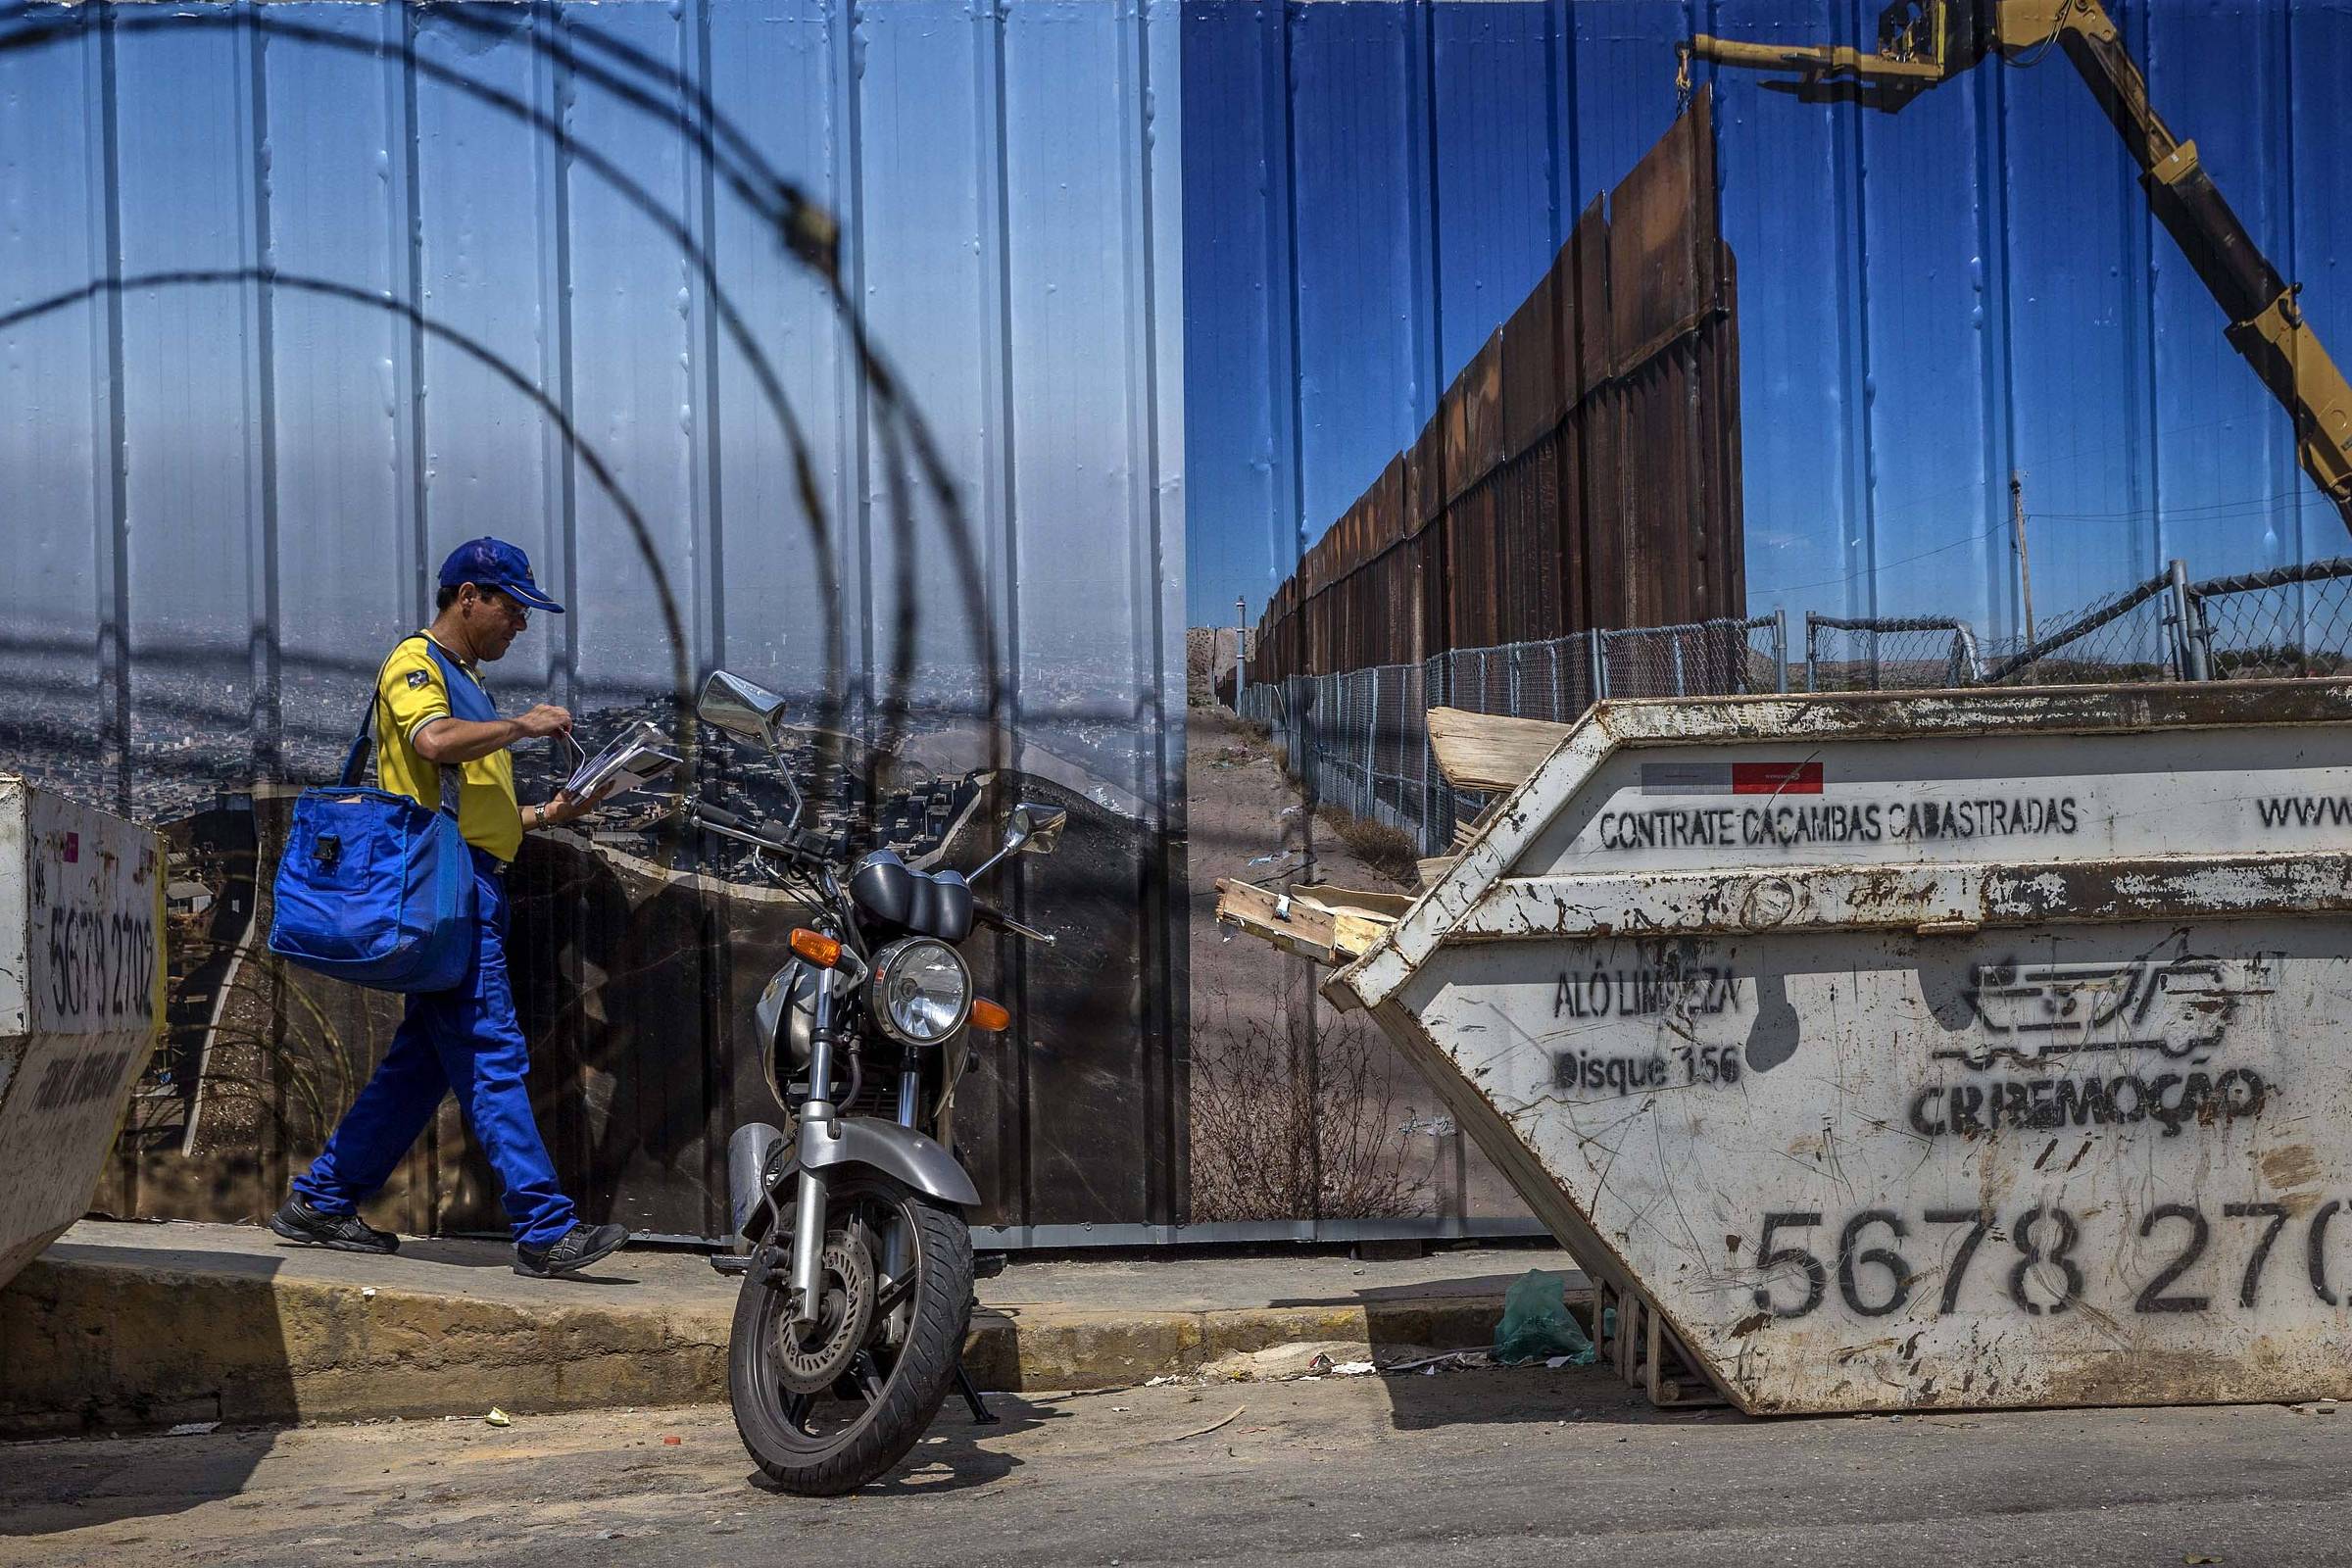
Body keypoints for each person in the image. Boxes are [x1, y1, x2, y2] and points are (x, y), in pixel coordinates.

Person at [270, 537, 628, 1279]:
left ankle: (322, 1200)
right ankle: (544, 1228)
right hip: (452, 895)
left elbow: (473, 816)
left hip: (470, 884)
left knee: (423, 1065)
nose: (521, 625)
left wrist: (551, 813)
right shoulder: (417, 663)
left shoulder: (466, 681)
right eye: (513, 608)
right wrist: (523, 725)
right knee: (491, 1053)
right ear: (468, 597)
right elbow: (432, 742)